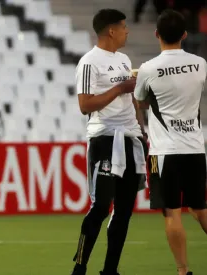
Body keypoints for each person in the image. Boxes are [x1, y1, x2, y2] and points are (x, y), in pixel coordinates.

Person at [71, 9, 148, 275]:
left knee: (125, 209)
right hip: (104, 138)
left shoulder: (125, 59)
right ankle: (80, 266)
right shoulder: (89, 62)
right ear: (111, 30)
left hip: (130, 139)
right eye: (124, 27)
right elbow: (84, 105)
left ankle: (110, 270)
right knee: (102, 205)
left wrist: (141, 128)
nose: (128, 31)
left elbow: (133, 99)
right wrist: (119, 88)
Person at [133, 9, 207, 275]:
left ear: (156, 34)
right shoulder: (200, 64)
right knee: (200, 210)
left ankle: (183, 270)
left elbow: (140, 99)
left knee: (172, 212)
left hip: (164, 151)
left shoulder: (149, 68)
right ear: (185, 35)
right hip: (195, 148)